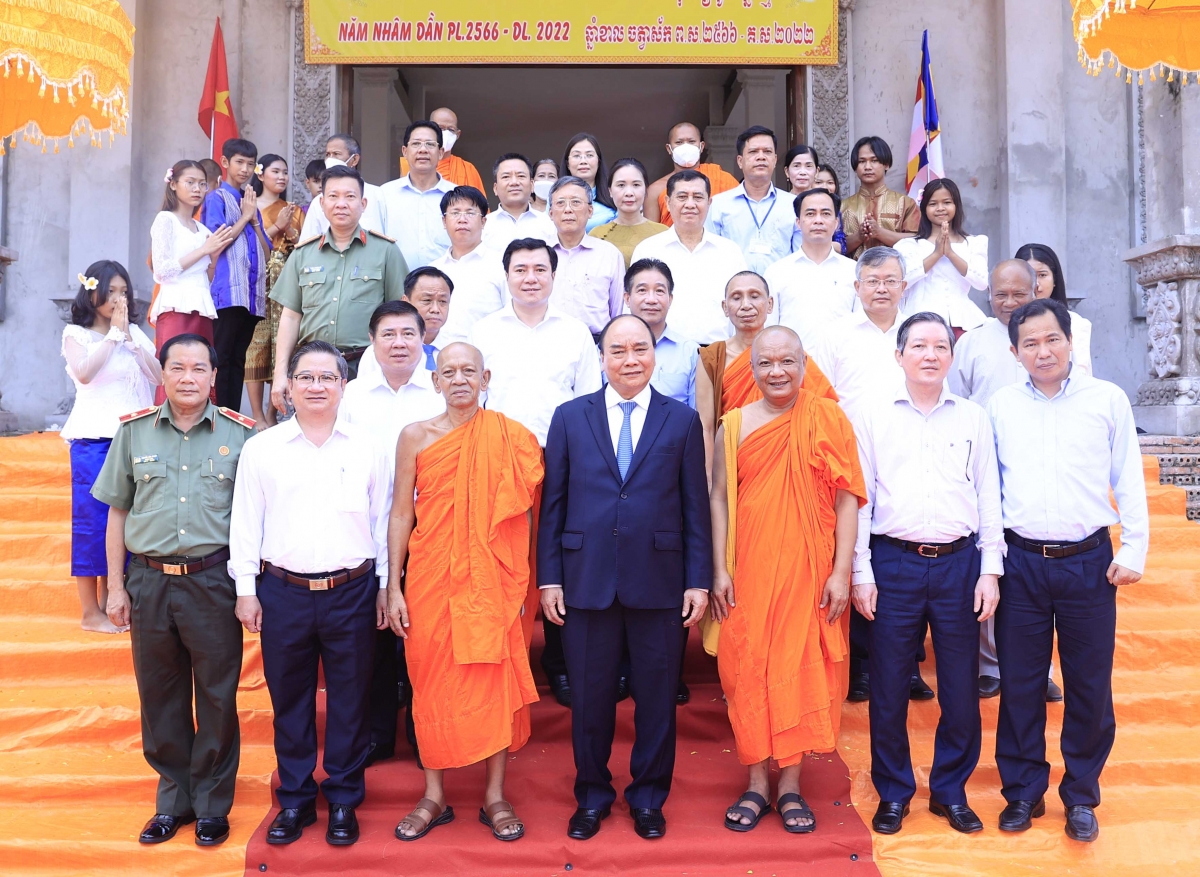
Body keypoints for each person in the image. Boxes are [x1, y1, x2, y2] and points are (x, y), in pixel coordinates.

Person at [540, 314, 712, 841]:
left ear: (655, 355)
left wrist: (697, 579)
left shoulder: (682, 420)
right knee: (589, 699)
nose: (630, 359)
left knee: (657, 699)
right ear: (602, 358)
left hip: (660, 580)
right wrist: (549, 578)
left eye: (640, 349)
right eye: (618, 350)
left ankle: (648, 798)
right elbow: (554, 504)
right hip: (585, 578)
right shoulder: (570, 417)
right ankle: (591, 796)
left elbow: (695, 506)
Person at [988, 299, 1148, 844]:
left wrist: (1134, 550)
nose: (1043, 351)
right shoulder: (1000, 406)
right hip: (1021, 564)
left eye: (1051, 339)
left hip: (1088, 564)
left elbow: (1128, 476)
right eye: (1030, 343)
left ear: (1070, 340)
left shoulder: (1106, 399)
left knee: (1089, 684)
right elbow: (989, 489)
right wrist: (992, 561)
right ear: (1015, 352)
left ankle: (1080, 794)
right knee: (1020, 682)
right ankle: (1023, 791)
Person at [91, 333, 254, 847]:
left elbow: (253, 519)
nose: (188, 377)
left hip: (213, 581)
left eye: (199, 368)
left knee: (217, 696)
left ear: (214, 376)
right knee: (159, 695)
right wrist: (115, 588)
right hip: (148, 581)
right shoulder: (134, 432)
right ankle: (173, 802)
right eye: (178, 367)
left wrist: (248, 586)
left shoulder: (241, 436)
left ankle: (211, 806)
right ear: (162, 374)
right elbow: (117, 511)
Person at [229, 340, 391, 847]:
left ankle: (343, 798)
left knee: (350, 699)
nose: (316, 387)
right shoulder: (262, 448)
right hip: (283, 591)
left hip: (353, 590)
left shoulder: (368, 446)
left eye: (327, 378)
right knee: (290, 700)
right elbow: (245, 523)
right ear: (288, 387)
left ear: (344, 385)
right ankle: (295, 800)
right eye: (306, 378)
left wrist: (385, 586)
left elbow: (383, 523)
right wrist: (246, 590)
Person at [852, 312, 1003, 836]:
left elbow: (988, 494)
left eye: (940, 346)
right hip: (893, 562)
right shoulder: (872, 415)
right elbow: (861, 499)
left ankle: (950, 791)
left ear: (952, 356)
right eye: (919, 346)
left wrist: (990, 569)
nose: (930, 355)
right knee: (889, 684)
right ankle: (893, 792)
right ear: (899, 355)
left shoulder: (972, 417)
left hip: (960, 564)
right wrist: (861, 570)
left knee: (960, 687)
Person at [385, 342, 543, 843]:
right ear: (435, 381)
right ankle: (433, 794)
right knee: (429, 681)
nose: (459, 379)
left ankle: (495, 794)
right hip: (430, 578)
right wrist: (392, 585)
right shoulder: (414, 436)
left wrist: (519, 581)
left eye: (468, 371)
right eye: (448, 372)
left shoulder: (510, 437)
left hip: (491, 582)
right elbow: (401, 512)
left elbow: (523, 518)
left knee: (492, 679)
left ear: (485, 377)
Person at [710, 325, 864, 834]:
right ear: (752, 369)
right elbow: (718, 498)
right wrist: (719, 568)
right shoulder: (734, 425)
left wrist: (842, 571)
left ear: (804, 365)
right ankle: (757, 782)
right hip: (750, 568)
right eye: (766, 363)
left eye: (787, 362)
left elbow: (847, 498)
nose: (777, 372)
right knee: (749, 667)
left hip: (810, 570)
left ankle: (791, 785)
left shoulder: (827, 418)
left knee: (799, 666)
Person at [469, 238, 603, 708]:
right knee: (503, 562)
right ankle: (508, 661)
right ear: (506, 276)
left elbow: (590, 405)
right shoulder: (484, 331)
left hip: (561, 460)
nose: (530, 278)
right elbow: (472, 401)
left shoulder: (575, 332)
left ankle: (560, 663)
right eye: (520, 269)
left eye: (539, 269)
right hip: (498, 460)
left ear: (553, 275)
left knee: (561, 561)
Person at [946, 260, 1062, 702]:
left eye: (1019, 293)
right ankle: (988, 666)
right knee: (988, 564)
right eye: (1000, 294)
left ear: (1036, 290)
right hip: (982, 467)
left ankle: (1040, 670)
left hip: (1039, 468)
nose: (1009, 302)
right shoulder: (973, 341)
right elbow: (955, 400)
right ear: (988, 294)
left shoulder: (1048, 339)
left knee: (1035, 575)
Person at [341, 301, 444, 768]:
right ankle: (378, 734)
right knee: (374, 638)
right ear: (372, 341)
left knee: (425, 635)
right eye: (388, 334)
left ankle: (425, 733)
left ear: (423, 339)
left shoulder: (441, 392)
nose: (399, 343)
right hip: (365, 530)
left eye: (408, 334)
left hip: (428, 530)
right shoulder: (352, 397)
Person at [61, 261, 161, 634]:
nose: (119, 298)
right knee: (93, 523)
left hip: (136, 439)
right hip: (95, 439)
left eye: (124, 291)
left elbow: (159, 376)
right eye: (111, 291)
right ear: (93, 293)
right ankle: (90, 612)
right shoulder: (76, 334)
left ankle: (111, 602)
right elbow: (85, 373)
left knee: (127, 522)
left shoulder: (135, 333)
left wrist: (130, 339)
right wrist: (114, 336)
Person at [270, 164, 408, 412]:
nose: (341, 204)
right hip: (313, 369)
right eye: (333, 196)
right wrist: (280, 374)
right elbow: (290, 318)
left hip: (366, 367)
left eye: (350, 196)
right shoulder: (303, 254)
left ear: (363, 204)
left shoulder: (386, 252)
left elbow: (400, 315)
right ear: (322, 204)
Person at [697, 271, 837, 476]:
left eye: (754, 296)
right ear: (725, 307)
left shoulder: (793, 355)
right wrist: (710, 478)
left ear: (770, 304)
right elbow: (706, 427)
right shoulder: (712, 358)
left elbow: (824, 414)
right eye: (736, 297)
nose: (746, 305)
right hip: (734, 464)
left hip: (790, 464)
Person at [631, 170, 748, 344]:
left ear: (709, 203)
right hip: (661, 348)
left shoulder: (730, 251)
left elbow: (743, 304)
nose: (690, 204)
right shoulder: (648, 249)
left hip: (718, 351)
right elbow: (632, 307)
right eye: (682, 197)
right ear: (668, 203)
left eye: (698, 197)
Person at [151, 160, 235, 402]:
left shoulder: (202, 229)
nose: (197, 188)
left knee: (202, 372)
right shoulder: (165, 220)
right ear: (173, 184)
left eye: (202, 184)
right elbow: (162, 271)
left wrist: (214, 257)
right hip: (175, 306)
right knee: (175, 370)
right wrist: (204, 250)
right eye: (190, 182)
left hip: (202, 306)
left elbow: (205, 278)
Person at [202, 138, 272, 410]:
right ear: (225, 162)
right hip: (227, 291)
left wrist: (254, 219)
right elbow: (216, 242)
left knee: (238, 360)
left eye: (250, 164)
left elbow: (266, 252)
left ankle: (231, 417)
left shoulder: (249, 203)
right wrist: (244, 217)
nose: (244, 169)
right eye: (239, 162)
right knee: (221, 358)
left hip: (250, 295)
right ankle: (218, 416)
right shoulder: (216, 198)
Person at [811, 246, 908, 427]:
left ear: (903, 287)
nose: (881, 289)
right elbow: (820, 398)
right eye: (872, 281)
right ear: (857, 287)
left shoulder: (919, 334)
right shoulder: (834, 334)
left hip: (907, 438)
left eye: (890, 281)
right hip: (849, 439)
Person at [245, 155, 304, 429]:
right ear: (260, 175)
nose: (282, 177)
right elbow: (247, 243)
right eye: (275, 171)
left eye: (285, 172)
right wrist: (276, 226)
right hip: (256, 281)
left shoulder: (293, 209)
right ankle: (256, 414)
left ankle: (272, 412)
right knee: (255, 345)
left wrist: (289, 227)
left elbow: (303, 245)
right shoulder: (249, 206)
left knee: (279, 345)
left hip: (285, 281)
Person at [765, 187, 858, 351]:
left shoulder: (854, 271)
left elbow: (861, 324)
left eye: (826, 213)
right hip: (793, 363)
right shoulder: (777, 272)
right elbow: (769, 328)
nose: (818, 220)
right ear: (798, 222)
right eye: (810, 214)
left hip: (842, 362)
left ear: (836, 223)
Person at [895, 179, 988, 334]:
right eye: (933, 204)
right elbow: (902, 281)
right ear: (924, 208)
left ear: (956, 205)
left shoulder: (975, 242)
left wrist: (950, 254)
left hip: (964, 323)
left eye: (947, 202)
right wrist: (936, 254)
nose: (940, 208)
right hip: (920, 323)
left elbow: (982, 283)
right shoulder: (908, 245)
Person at [707, 126, 797, 273]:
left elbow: (800, 254)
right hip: (732, 284)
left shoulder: (793, 204)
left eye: (767, 152)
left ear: (775, 160)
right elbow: (710, 254)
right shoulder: (718, 204)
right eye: (753, 152)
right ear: (740, 161)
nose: (761, 157)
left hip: (779, 285)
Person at [547, 176, 626, 337]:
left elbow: (618, 312)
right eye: (560, 203)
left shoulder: (609, 255)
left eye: (576, 202)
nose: (568, 209)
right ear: (551, 213)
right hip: (547, 341)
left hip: (596, 344)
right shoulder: (538, 254)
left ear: (590, 211)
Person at [431, 186, 508, 345]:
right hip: (441, 355)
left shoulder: (502, 266)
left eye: (470, 213)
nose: (462, 219)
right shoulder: (433, 270)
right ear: (444, 221)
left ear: (483, 221)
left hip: (486, 354)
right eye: (455, 213)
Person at [623, 258, 698, 408]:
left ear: (670, 299)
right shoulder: (608, 350)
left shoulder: (690, 352)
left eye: (659, 291)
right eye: (642, 290)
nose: (651, 300)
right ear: (627, 298)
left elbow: (697, 414)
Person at [381, 121, 456, 270]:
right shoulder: (385, 194)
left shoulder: (457, 195)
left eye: (430, 144)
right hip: (397, 281)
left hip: (447, 280)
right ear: (404, 151)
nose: (423, 150)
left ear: (441, 152)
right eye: (416, 144)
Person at [1015, 242, 1093, 375]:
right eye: (1029, 275)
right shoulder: (1003, 324)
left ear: (1054, 279)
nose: (1036, 284)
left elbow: (1082, 376)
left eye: (1042, 275)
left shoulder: (1076, 324)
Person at [646, 122, 739, 226]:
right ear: (669, 149)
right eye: (679, 142)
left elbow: (739, 218)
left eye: (691, 142)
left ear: (701, 146)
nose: (686, 147)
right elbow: (651, 232)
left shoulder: (722, 179)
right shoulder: (655, 190)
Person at [841, 136, 919, 258]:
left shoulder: (905, 203)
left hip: (894, 269)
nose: (867, 167)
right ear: (855, 167)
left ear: (886, 164)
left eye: (874, 160)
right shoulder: (843, 206)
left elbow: (916, 242)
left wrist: (879, 232)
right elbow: (831, 247)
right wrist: (859, 236)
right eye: (862, 161)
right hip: (853, 269)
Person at [299, 134, 388, 239]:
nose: (330, 159)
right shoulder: (319, 201)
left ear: (354, 159)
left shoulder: (377, 194)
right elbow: (308, 242)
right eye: (328, 154)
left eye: (336, 154)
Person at [589, 158, 668, 267]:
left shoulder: (663, 233)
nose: (629, 193)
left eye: (636, 185)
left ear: (646, 189)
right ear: (610, 191)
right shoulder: (596, 235)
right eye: (621, 185)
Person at [397, 106, 485, 191]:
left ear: (457, 134)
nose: (445, 133)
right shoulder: (411, 164)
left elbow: (478, 201)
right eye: (440, 128)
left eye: (451, 129)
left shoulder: (468, 169)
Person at [482, 153, 557, 251]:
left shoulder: (550, 223)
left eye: (521, 176)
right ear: (495, 188)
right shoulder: (483, 225)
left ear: (532, 185)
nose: (514, 182)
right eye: (506, 177)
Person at [398, 266, 455, 381]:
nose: (435, 309)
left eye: (443, 301)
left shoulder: (458, 348)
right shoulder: (382, 350)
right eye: (427, 300)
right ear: (406, 302)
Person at [563, 133, 617, 231]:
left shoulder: (614, 195)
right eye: (576, 155)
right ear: (567, 164)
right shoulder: (554, 197)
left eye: (589, 155)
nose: (583, 161)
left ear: (598, 161)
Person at [814, 164, 850, 255]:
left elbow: (841, 246)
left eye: (830, 183)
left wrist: (815, 245)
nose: (825, 187)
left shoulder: (836, 212)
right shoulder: (801, 209)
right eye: (818, 182)